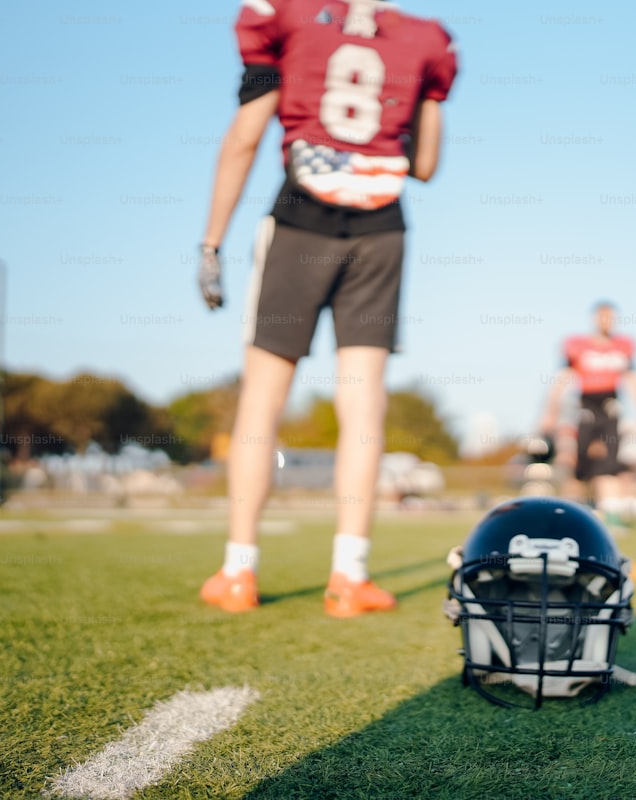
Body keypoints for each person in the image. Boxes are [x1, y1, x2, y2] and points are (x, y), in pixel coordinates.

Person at [196, 0, 458, 615]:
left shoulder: (284, 15)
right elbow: (423, 165)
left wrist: (211, 242)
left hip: (300, 219)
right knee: (363, 399)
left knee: (262, 398)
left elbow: (244, 137)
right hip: (382, 226)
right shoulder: (426, 37)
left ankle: (238, 571)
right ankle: (349, 575)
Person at [538, 302, 636, 530]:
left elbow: (633, 380)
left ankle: (611, 517)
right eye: (603, 317)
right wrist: (550, 412)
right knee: (577, 464)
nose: (607, 322)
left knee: (609, 463)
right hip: (585, 406)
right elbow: (562, 379)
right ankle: (570, 515)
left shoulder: (623, 346)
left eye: (611, 317)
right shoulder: (578, 346)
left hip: (610, 407)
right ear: (595, 319)